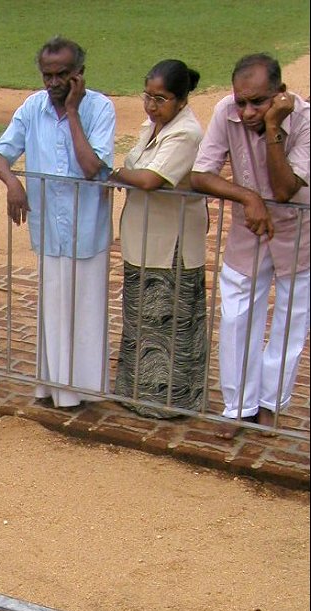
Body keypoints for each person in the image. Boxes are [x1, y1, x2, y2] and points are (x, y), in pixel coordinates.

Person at [0, 36, 115, 409]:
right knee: (53, 311)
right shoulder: (32, 108)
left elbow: (93, 168)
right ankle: (54, 388)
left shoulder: (100, 108)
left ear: (79, 74)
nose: (54, 83)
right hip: (48, 231)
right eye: (47, 75)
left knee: (86, 310)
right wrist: (13, 183)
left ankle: (83, 391)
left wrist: (73, 112)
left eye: (63, 75)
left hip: (86, 230)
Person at [191, 53, 310, 437]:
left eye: (258, 102)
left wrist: (274, 125)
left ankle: (270, 405)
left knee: (290, 320)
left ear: (281, 94)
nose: (246, 111)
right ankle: (238, 406)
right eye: (241, 101)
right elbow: (200, 175)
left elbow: (284, 189)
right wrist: (247, 198)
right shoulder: (225, 111)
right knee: (237, 316)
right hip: (249, 228)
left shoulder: (305, 120)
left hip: (298, 231)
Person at [109, 60, 208, 418]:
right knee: (140, 320)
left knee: (170, 323)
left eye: (161, 98)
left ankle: (170, 403)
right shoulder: (153, 126)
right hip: (144, 237)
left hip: (171, 246)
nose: (151, 105)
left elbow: (151, 179)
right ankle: (137, 392)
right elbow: (141, 171)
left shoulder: (186, 133)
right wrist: (128, 173)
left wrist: (118, 172)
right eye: (147, 96)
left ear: (181, 100)